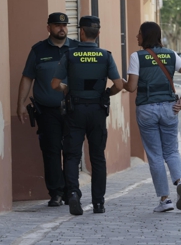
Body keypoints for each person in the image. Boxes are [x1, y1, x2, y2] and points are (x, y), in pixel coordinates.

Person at [51, 16, 123, 216]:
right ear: (98, 33)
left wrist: (68, 89)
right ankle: (98, 203)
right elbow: (119, 85)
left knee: (72, 156)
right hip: (98, 111)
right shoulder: (106, 56)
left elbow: (55, 84)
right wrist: (106, 94)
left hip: (75, 111)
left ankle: (73, 192)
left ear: (81, 32)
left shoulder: (70, 55)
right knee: (98, 157)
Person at [123, 21, 181, 213]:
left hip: (147, 109)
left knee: (155, 155)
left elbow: (131, 87)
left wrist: (119, 82)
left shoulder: (137, 57)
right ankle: (179, 181)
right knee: (171, 151)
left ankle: (165, 199)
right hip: (170, 108)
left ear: (145, 36)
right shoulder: (171, 54)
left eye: (139, 34)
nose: (137, 37)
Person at [16, 12, 79, 207]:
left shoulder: (77, 48)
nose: (62, 29)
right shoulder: (38, 50)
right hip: (47, 111)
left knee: (71, 151)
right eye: (57, 25)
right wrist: (20, 103)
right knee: (51, 151)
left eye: (65, 25)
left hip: (72, 110)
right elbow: (27, 77)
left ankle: (72, 191)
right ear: (48, 28)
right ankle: (56, 192)